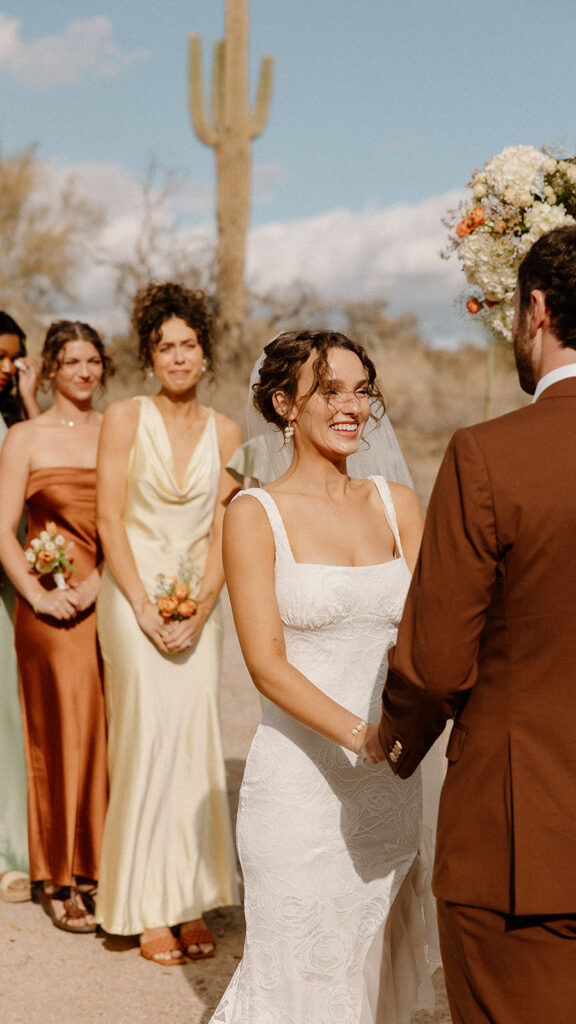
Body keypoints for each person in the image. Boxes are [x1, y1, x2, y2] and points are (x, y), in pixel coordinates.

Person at [367, 223, 576, 1024]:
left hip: (517, 851)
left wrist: (392, 742)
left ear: (535, 309)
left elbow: (435, 663)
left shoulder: (486, 456)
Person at [210, 329, 438, 1024]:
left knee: (370, 973)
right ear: (284, 404)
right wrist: (360, 733)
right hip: (300, 794)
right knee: (296, 978)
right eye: (329, 390)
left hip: (391, 785)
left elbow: (432, 635)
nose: (351, 406)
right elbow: (264, 663)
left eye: (361, 390)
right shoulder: (253, 514)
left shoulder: (396, 505)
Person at [95, 282, 242, 965]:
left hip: (199, 604)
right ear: (150, 357)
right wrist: (147, 609)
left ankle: (188, 901)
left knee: (194, 743)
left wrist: (203, 606)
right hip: (130, 600)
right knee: (145, 738)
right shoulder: (124, 418)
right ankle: (144, 905)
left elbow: (224, 534)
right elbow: (106, 520)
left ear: (204, 355)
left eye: (188, 346)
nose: (178, 358)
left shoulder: (229, 434)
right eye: (165, 347)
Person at [0, 320, 111, 931]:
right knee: (59, 734)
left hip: (110, 600)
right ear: (51, 368)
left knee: (107, 735)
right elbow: (1, 530)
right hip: (48, 609)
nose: (85, 372)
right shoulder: (24, 437)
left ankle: (101, 866)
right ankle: (59, 875)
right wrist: (37, 598)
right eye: (71, 361)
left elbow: (130, 520)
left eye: (93, 359)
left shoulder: (118, 430)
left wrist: (103, 581)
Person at [0, 311, 40, 904]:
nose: (6, 370)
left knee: (11, 720)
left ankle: (13, 850)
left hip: (10, 589)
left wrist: (29, 401)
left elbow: (47, 482)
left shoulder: (17, 424)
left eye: (14, 358)